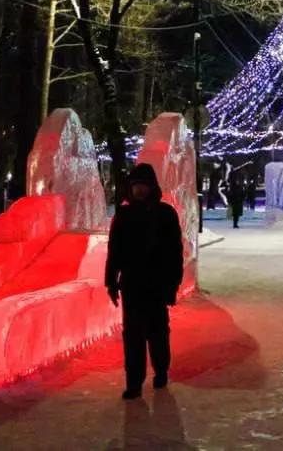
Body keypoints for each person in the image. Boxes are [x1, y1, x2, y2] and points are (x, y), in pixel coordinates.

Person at [105, 163, 184, 400]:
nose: (140, 190)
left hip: (157, 284)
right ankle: (134, 382)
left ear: (152, 187)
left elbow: (174, 252)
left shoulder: (165, 214)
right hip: (132, 284)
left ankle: (161, 370)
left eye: (144, 185)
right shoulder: (124, 215)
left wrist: (172, 284)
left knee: (158, 331)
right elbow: (115, 251)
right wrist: (111, 281)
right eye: (136, 185)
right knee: (133, 335)